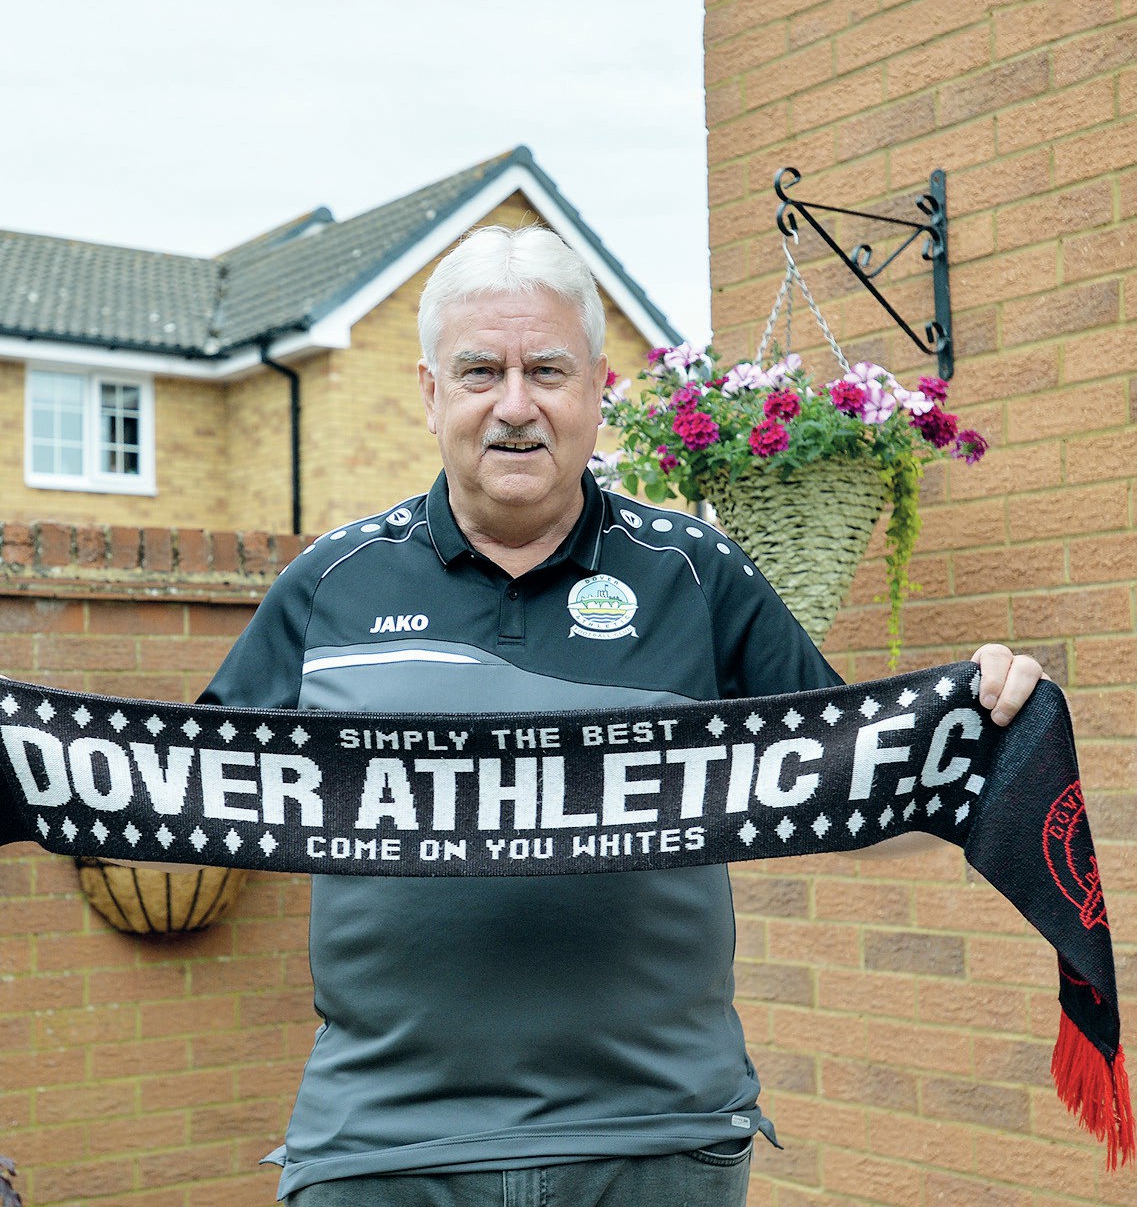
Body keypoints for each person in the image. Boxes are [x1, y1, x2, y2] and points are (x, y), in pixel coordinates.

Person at [199, 225, 1046, 1206]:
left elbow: (856, 795)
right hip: (382, 1152)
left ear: (599, 390)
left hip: (658, 1144)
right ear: (431, 393)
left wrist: (980, 735)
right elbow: (187, 799)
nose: (515, 405)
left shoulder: (696, 574)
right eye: (480, 372)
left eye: (547, 371)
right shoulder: (330, 585)